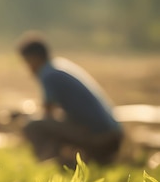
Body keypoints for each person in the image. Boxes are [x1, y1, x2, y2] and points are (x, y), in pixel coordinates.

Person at [17, 30, 123, 167]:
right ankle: (66, 161)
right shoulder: (59, 66)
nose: (28, 68)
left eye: (27, 62)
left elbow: (47, 112)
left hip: (102, 139)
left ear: (34, 58)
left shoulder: (48, 74)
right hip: (113, 135)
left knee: (32, 125)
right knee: (51, 123)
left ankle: (48, 164)